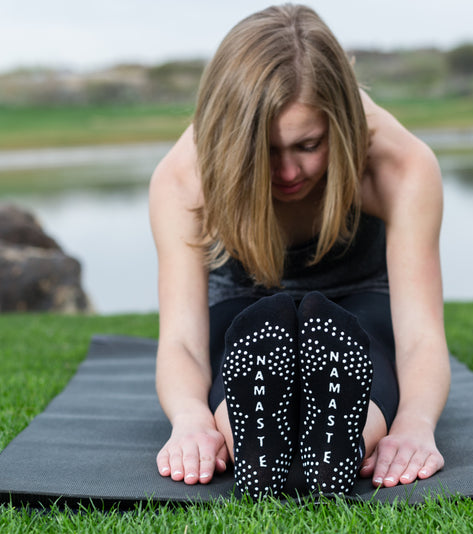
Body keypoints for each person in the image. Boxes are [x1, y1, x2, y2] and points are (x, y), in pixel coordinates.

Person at [149, 3, 450, 498]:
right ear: (231, 140)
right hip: (243, 304)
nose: (288, 173)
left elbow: (419, 335)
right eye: (266, 151)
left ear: (342, 123)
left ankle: (343, 442)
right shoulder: (184, 177)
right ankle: (252, 440)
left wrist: (414, 428)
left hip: (356, 298)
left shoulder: (401, 166)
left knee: (372, 345)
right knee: (234, 352)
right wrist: (190, 422)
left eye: (308, 145)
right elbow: (182, 339)